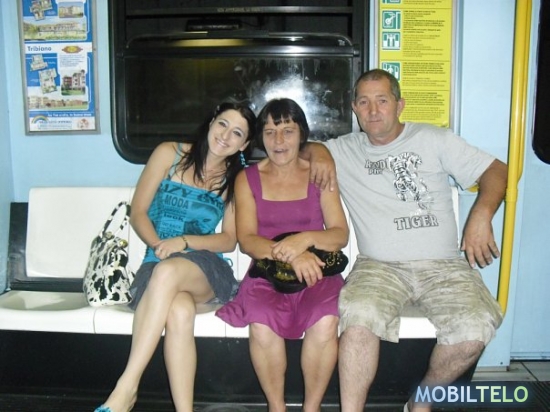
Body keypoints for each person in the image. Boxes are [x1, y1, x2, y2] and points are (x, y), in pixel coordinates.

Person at [302, 68, 507, 412]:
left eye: (382, 100)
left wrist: (481, 215)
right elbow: (296, 147)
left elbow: (496, 170)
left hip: (444, 266)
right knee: (359, 319)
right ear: (354, 108)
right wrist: (318, 151)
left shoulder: (433, 139)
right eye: (364, 102)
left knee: (475, 329)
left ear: (400, 105)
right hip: (379, 266)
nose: (373, 110)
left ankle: (420, 402)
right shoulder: (345, 149)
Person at [94, 101, 256, 412]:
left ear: (244, 144)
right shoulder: (169, 154)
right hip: (155, 262)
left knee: (167, 272)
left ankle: (126, 387)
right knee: (179, 308)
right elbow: (138, 212)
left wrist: (182, 242)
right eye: (223, 124)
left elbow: (228, 239)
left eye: (237, 133)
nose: (225, 136)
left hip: (204, 268)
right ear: (211, 122)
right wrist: (160, 245)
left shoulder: (236, 179)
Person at [216, 98, 349, 412]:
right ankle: (276, 407)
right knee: (262, 324)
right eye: (270, 132)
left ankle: (312, 407)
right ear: (260, 137)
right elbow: (248, 240)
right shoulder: (247, 178)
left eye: (288, 131)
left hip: (317, 271)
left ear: (301, 134)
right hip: (267, 273)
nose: (279, 141)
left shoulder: (319, 174)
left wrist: (304, 241)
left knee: (326, 321)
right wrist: (290, 256)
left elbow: (339, 234)